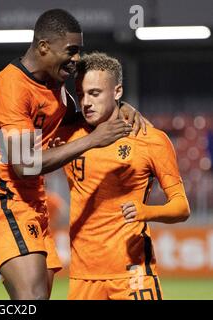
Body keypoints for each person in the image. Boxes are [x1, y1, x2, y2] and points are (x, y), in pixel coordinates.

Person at [0, 8, 150, 300]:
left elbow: (77, 122)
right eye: (71, 50)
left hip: (34, 203)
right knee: (33, 299)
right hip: (3, 200)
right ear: (44, 47)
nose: (76, 59)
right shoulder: (12, 85)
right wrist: (95, 140)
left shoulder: (55, 89)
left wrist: (119, 108)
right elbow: (25, 165)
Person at [54, 52, 190, 300]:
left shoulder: (151, 139)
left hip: (133, 274)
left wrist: (145, 211)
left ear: (117, 92)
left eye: (95, 93)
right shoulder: (69, 135)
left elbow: (181, 207)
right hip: (82, 277)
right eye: (81, 94)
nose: (86, 102)